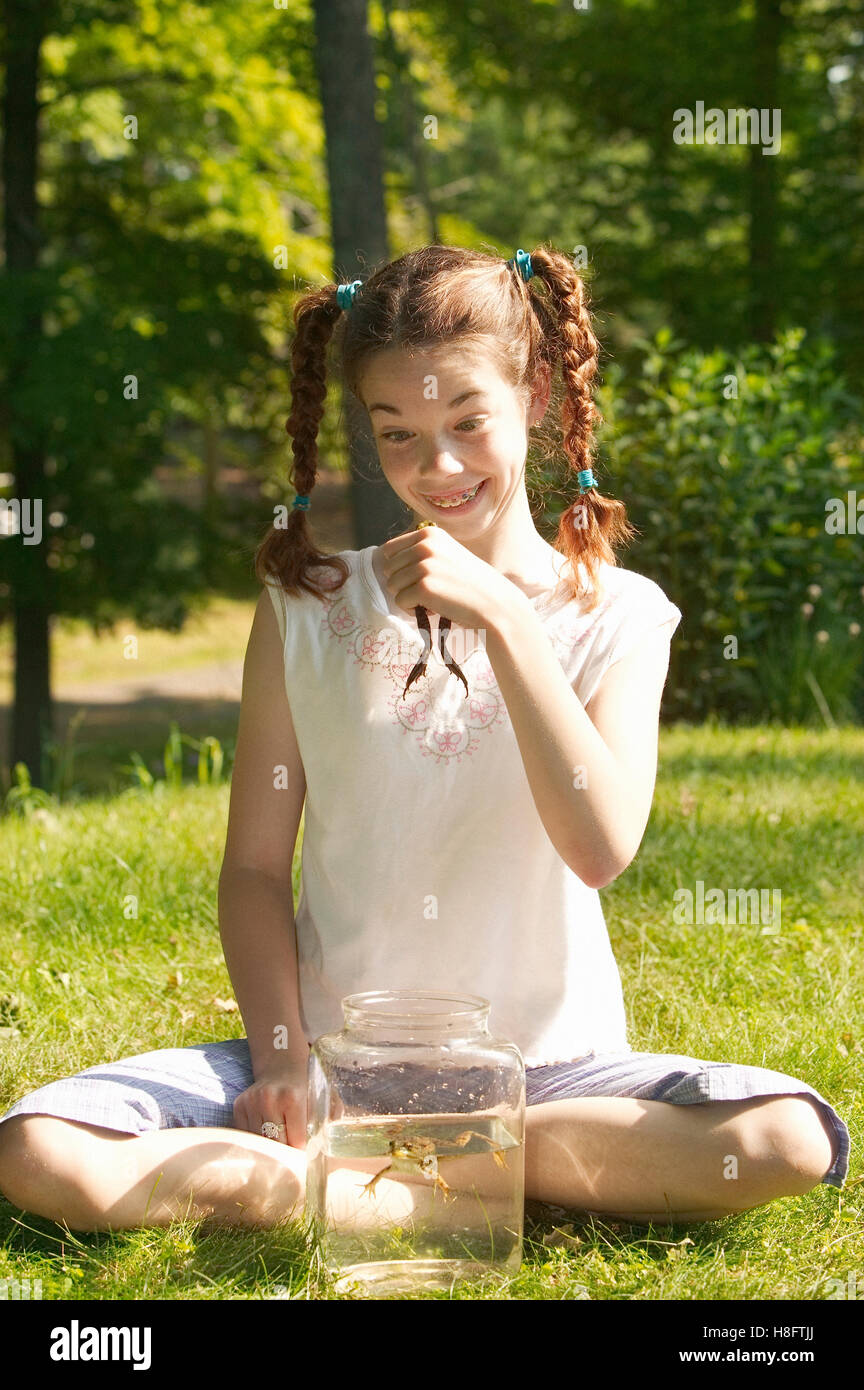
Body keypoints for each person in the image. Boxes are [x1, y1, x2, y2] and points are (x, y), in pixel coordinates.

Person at [0, 243, 847, 1234]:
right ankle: (435, 1182)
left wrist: (507, 618)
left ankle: (361, 1188)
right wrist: (279, 1059)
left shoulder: (617, 614)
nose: (434, 466)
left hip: (548, 1071)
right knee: (40, 1148)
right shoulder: (305, 611)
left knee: (783, 1140)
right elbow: (255, 871)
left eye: (465, 423)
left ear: (533, 396)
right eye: (397, 433)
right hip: (331, 1059)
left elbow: (601, 846)